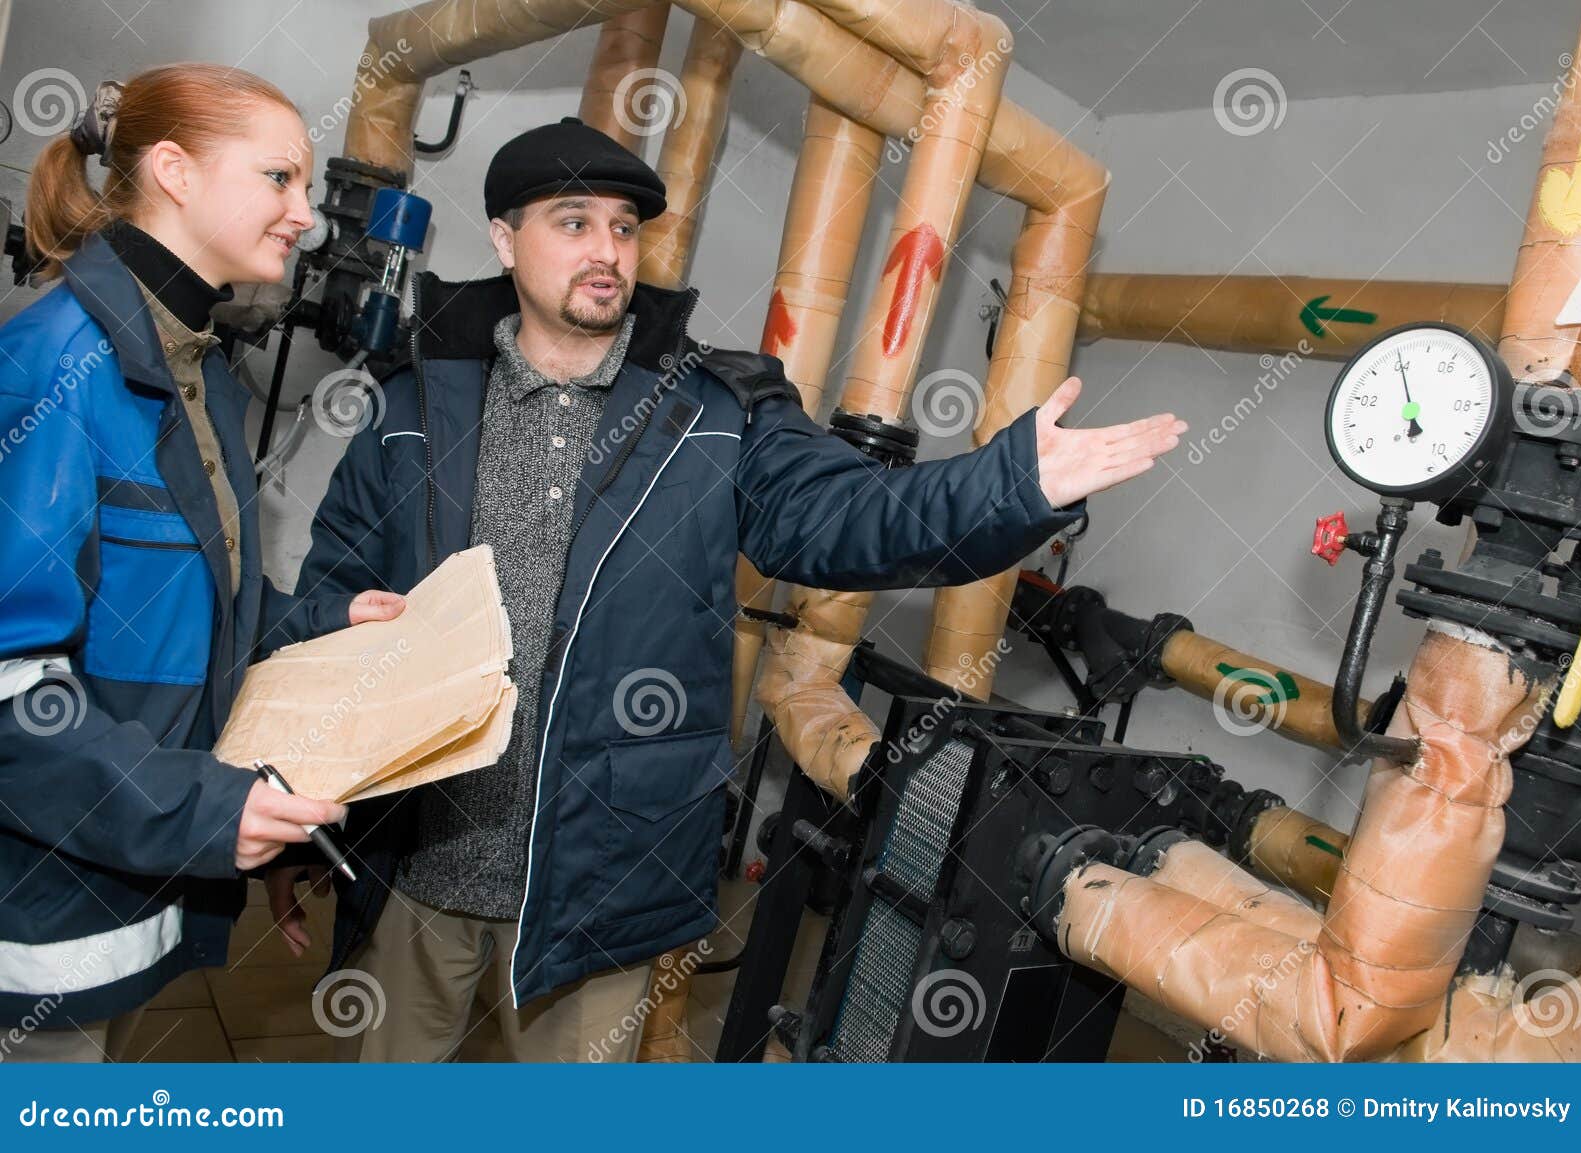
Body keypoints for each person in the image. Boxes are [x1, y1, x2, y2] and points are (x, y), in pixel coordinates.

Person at [269, 116, 1186, 1062]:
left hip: (600, 881)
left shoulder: (714, 413)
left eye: (624, 228)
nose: (606, 252)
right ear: (505, 239)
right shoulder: (413, 403)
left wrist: (1010, 484)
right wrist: (298, 807)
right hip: (420, 861)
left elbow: (852, 516)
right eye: (573, 223)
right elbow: (333, 607)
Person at [0, 64, 403, 1062]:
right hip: (37, 911)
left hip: (124, 876)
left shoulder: (196, 365)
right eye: (279, 179)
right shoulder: (53, 365)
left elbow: (192, 602)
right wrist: (211, 808)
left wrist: (320, 621)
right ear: (175, 172)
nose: (306, 216)